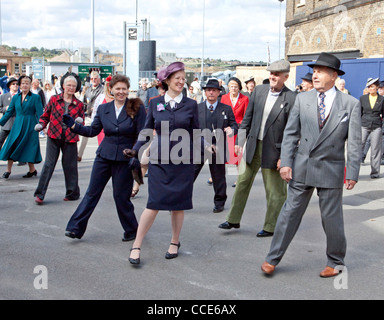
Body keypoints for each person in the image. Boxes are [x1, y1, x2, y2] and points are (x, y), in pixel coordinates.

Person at [261, 52, 362, 278]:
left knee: (332, 220)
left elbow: (354, 142)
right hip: (302, 166)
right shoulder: (302, 99)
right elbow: (290, 133)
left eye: (320, 71)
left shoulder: (350, 104)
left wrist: (352, 172)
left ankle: (335, 262)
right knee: (289, 214)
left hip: (331, 168)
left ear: (333, 76)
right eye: (314, 71)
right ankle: (272, 258)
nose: (314, 75)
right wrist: (286, 162)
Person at [127, 62, 200, 265]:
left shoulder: (191, 104)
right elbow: (147, 128)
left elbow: (196, 132)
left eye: (183, 78)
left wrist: (207, 147)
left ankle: (175, 242)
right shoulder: (154, 102)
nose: (181, 81)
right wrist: (136, 148)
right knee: (153, 204)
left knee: (178, 205)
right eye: (177, 78)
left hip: (183, 161)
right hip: (159, 160)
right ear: (166, 80)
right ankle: (137, 244)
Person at [218, 60, 296, 238]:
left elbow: (292, 132)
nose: (273, 77)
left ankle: (271, 226)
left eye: (277, 74)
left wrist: (284, 157)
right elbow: (248, 118)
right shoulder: (259, 91)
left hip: (274, 151)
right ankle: (233, 219)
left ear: (286, 76)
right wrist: (239, 141)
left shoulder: (291, 98)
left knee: (275, 191)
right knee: (242, 182)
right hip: (253, 146)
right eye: (271, 73)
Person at [64, 74, 146, 241]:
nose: (121, 92)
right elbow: (92, 131)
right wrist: (74, 126)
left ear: (128, 90)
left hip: (125, 159)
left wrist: (135, 152)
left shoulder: (136, 108)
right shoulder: (103, 109)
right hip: (104, 157)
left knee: (121, 198)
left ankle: (132, 231)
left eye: (124, 89)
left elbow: (142, 134)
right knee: (92, 193)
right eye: (118, 89)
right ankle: (75, 228)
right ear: (111, 89)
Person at [33, 73, 84, 205]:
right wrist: (41, 124)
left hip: (70, 137)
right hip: (54, 135)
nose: (71, 88)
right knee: (49, 165)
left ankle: (72, 193)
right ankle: (40, 194)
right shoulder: (54, 99)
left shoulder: (78, 104)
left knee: (70, 166)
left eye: (73, 86)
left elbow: (81, 121)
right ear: (63, 86)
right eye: (69, 85)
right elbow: (45, 115)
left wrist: (79, 121)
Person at [193, 79, 238, 213]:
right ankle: (179, 201)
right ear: (205, 92)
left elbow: (234, 124)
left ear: (219, 92)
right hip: (200, 147)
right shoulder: (197, 108)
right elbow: (192, 128)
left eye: (214, 90)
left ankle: (219, 202)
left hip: (218, 147)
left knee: (218, 177)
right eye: (208, 90)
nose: (211, 92)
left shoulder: (226, 109)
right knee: (189, 175)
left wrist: (232, 130)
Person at [0, 75, 43, 179]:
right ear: (19, 85)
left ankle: (32, 170)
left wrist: (42, 125)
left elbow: (40, 113)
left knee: (28, 148)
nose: (24, 85)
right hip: (17, 125)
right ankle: (8, 170)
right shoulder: (16, 97)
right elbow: (9, 112)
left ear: (30, 85)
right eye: (23, 83)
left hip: (30, 125)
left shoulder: (35, 97)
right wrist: (1, 122)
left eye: (27, 83)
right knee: (11, 145)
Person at [220, 77, 249, 186]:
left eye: (235, 86)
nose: (233, 88)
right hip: (226, 129)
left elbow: (247, 115)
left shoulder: (244, 99)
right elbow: (221, 113)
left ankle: (240, 178)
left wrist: (241, 124)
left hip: (239, 129)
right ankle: (216, 177)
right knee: (222, 154)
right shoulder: (224, 97)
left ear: (239, 88)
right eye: (231, 86)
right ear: (228, 87)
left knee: (237, 154)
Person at [360, 77, 384, 178]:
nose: (370, 89)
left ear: (377, 87)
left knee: (375, 150)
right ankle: (353, 171)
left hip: (376, 126)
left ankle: (375, 172)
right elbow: (359, 113)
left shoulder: (382, 99)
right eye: (369, 87)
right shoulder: (363, 98)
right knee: (359, 146)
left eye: (372, 87)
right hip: (364, 124)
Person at [78, 71, 104, 161]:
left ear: (99, 79)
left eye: (95, 78)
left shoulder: (102, 90)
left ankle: (102, 154)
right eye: (92, 78)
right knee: (83, 135)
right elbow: (85, 102)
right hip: (88, 116)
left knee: (101, 137)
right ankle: (79, 155)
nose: (93, 80)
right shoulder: (88, 90)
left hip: (99, 117)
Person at [0, 77, 19, 150]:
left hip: (17, 124)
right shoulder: (3, 96)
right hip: (6, 124)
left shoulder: (22, 96)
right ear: (9, 86)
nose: (15, 85)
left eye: (17, 84)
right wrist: (5, 108)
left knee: (18, 144)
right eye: (13, 84)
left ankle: (21, 161)